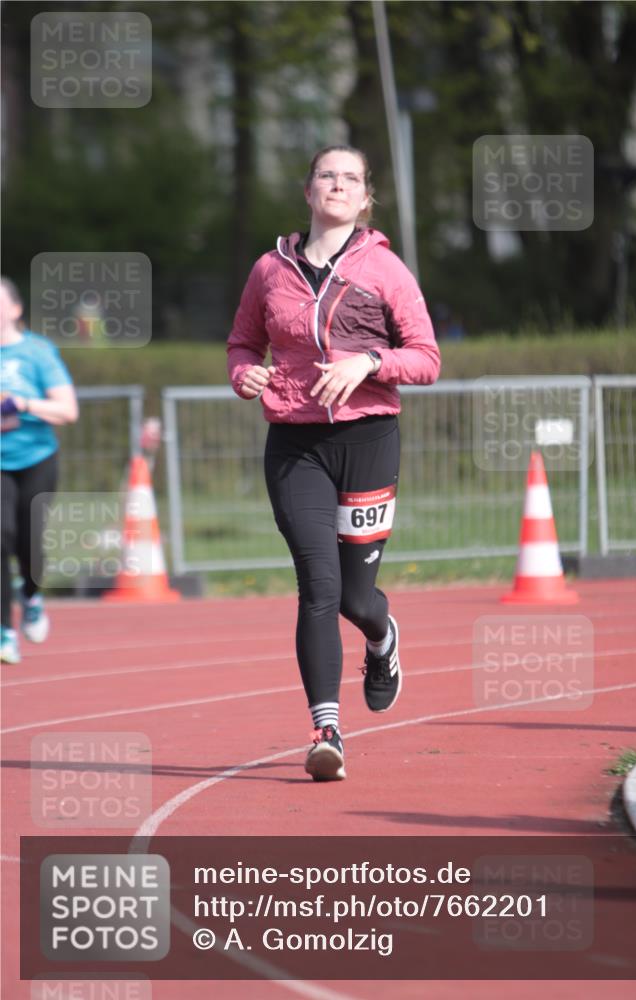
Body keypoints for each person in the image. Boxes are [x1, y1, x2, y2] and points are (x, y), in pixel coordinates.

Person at [227, 146, 440, 781]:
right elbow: (243, 343)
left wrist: (368, 362)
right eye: (327, 175)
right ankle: (326, 732)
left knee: (355, 597)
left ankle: (383, 637)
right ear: (308, 189)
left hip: (369, 439)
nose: (338, 185)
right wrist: (245, 374)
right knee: (318, 587)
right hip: (294, 445)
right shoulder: (271, 268)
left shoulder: (385, 268)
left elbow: (427, 357)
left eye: (350, 178)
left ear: (365, 197)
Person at [0, 277, 79, 664]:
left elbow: (68, 410)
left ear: (15, 309)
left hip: (35, 457)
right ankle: (4, 632)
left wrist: (19, 405)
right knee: (0, 538)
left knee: (28, 541)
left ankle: (31, 596)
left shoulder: (37, 352)